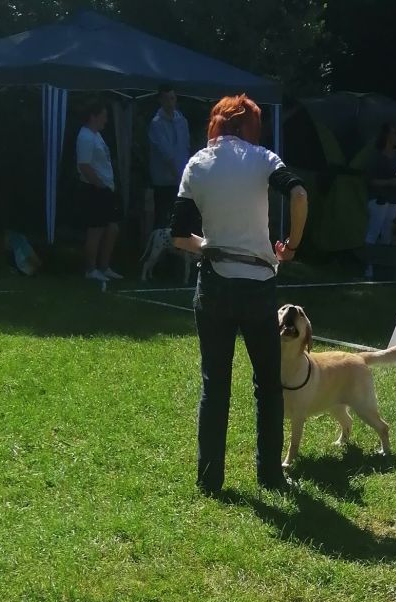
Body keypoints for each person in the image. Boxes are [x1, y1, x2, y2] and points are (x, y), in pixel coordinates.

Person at [171, 94, 308, 496]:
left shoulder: (197, 163)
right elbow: (298, 195)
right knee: (267, 384)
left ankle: (209, 479)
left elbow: (178, 234)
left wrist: (210, 245)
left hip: (214, 283)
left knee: (215, 383)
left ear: (216, 124)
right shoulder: (264, 159)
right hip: (258, 285)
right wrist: (292, 246)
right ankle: (270, 475)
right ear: (249, 126)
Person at [76, 99, 122, 283]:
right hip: (94, 189)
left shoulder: (96, 135)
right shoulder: (85, 136)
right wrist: (99, 184)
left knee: (112, 228)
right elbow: (84, 165)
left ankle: (104, 267)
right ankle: (91, 269)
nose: (106, 120)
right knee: (95, 230)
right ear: (93, 116)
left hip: (105, 189)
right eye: (103, 116)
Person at [363, 122, 396, 279]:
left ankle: (384, 267)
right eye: (395, 132)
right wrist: (390, 182)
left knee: (388, 234)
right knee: (373, 232)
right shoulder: (376, 155)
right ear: (387, 135)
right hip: (379, 199)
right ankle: (368, 267)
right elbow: (370, 180)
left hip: (395, 199)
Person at [148, 83, 190, 228]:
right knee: (162, 218)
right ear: (160, 100)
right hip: (164, 181)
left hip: (181, 179)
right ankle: (157, 248)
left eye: (172, 98)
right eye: (166, 99)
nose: (170, 102)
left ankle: (175, 249)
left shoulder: (182, 120)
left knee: (179, 218)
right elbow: (166, 153)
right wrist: (178, 174)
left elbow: (185, 147)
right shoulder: (156, 123)